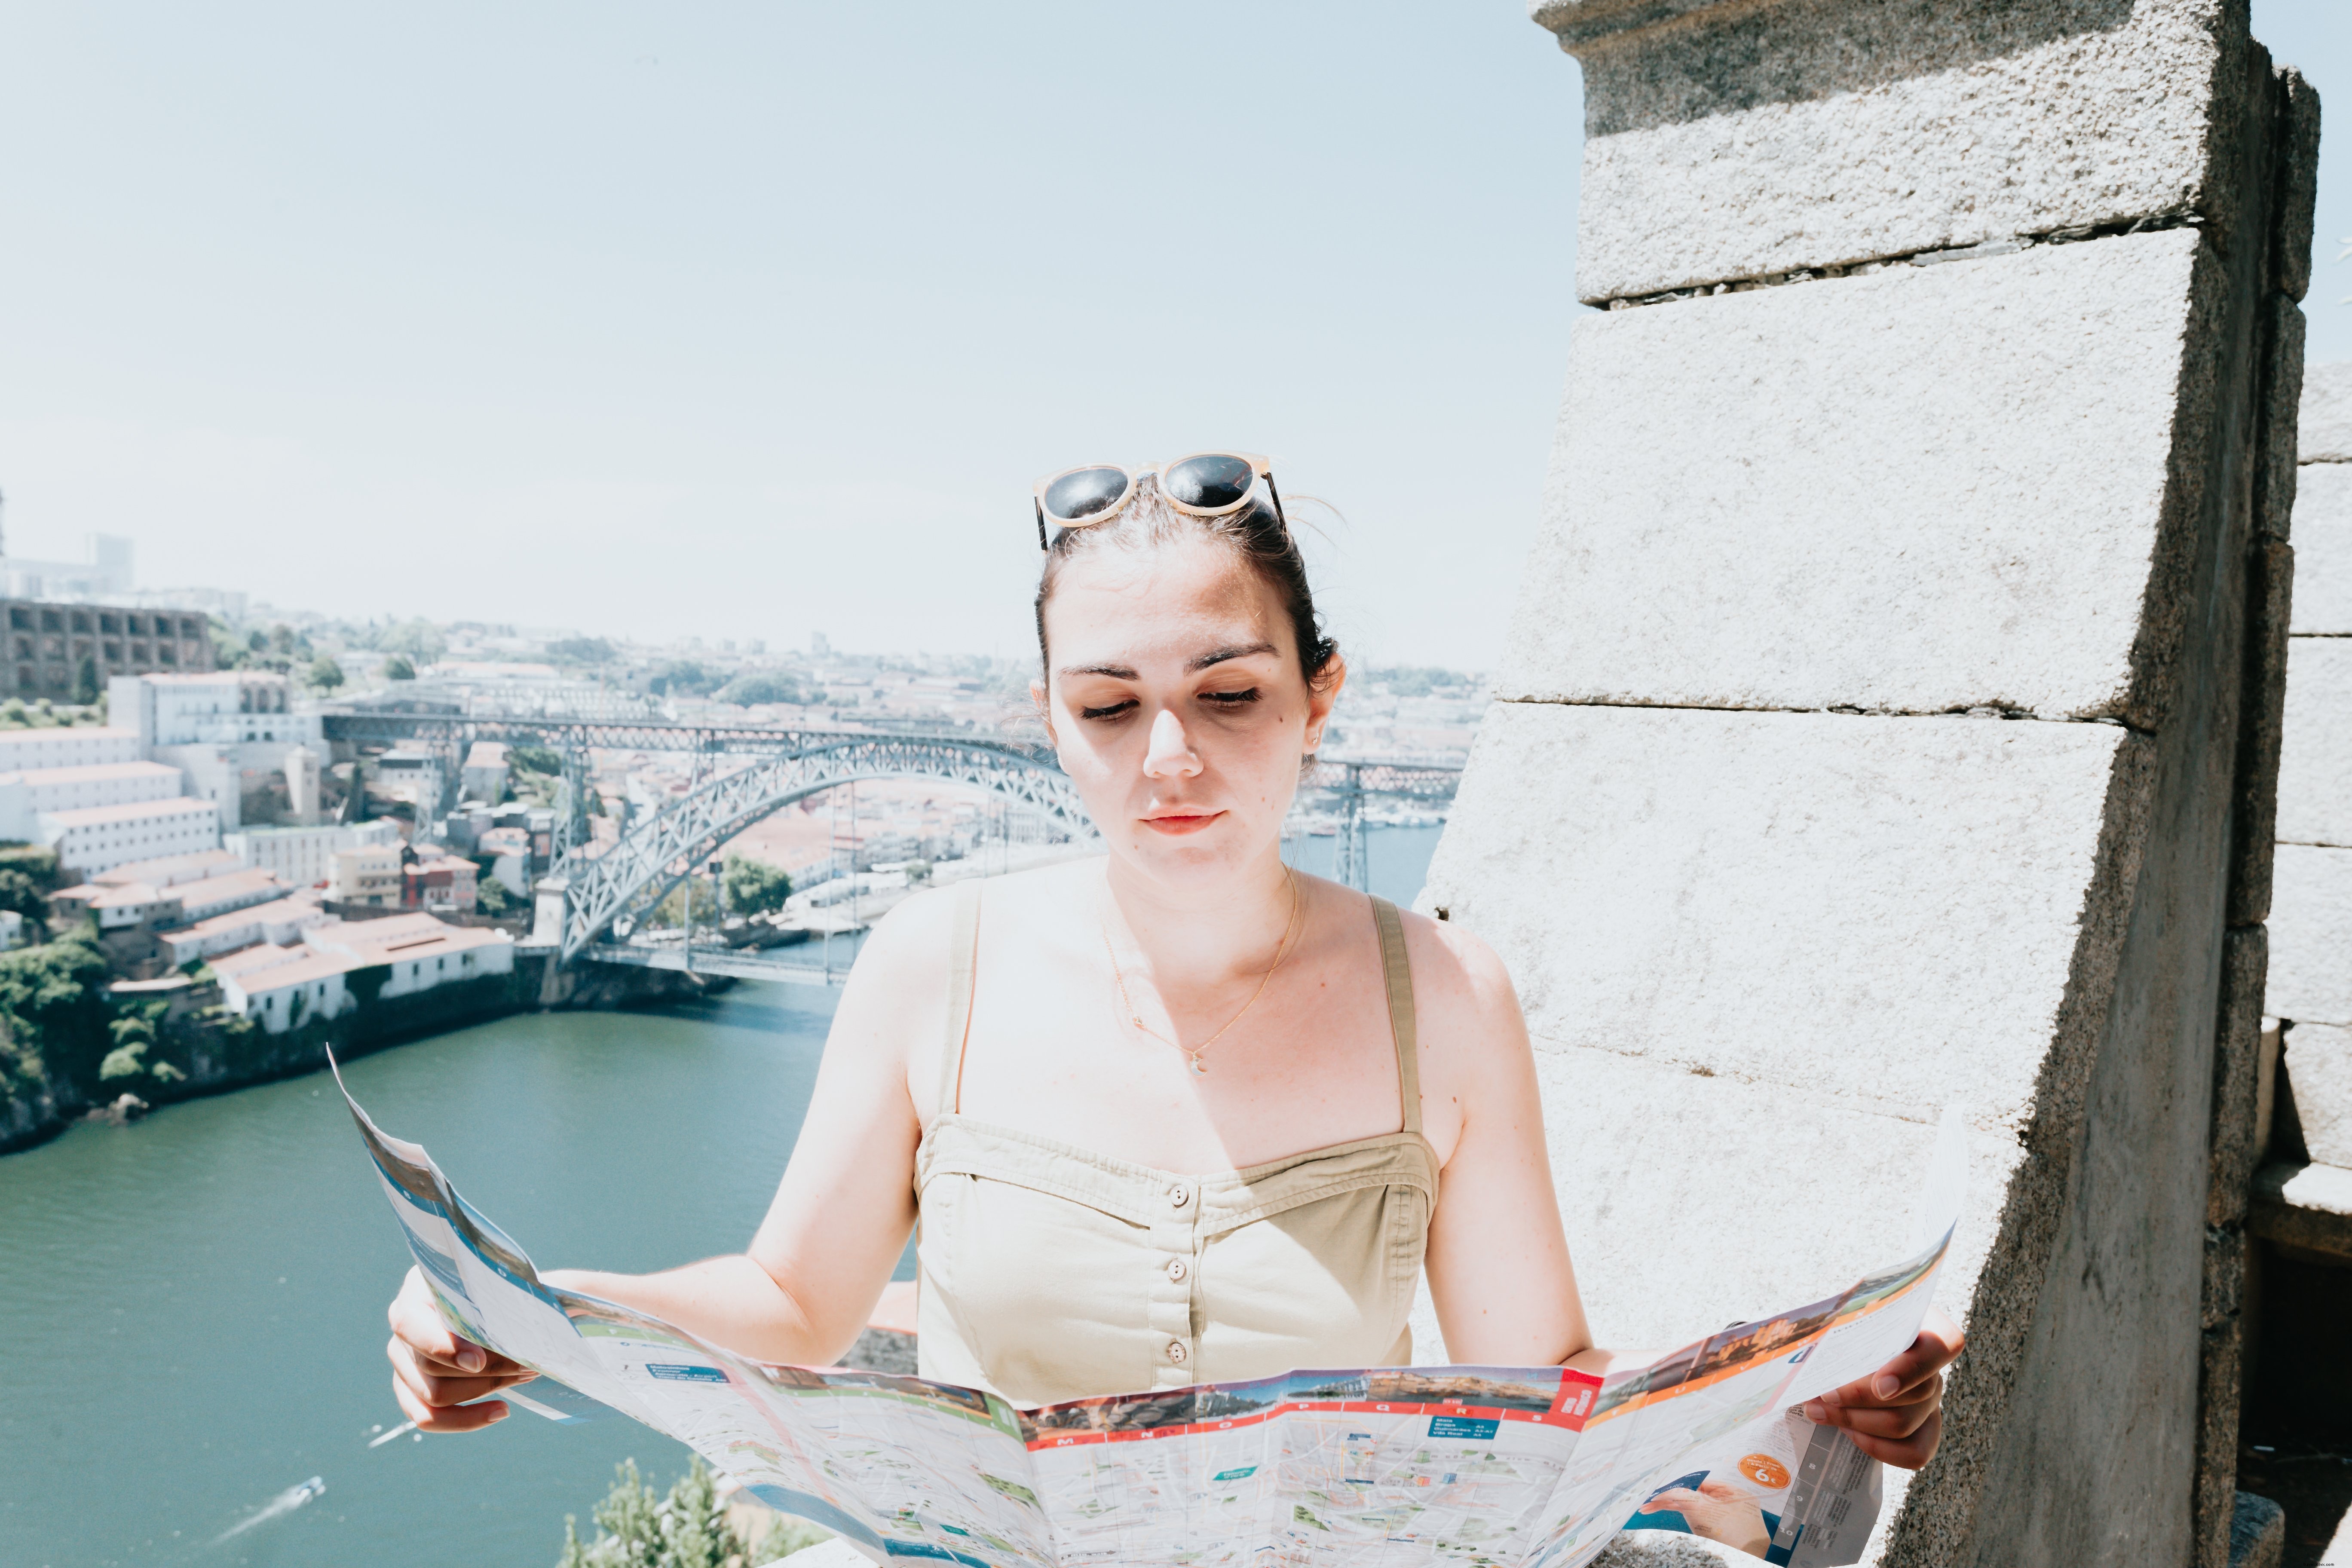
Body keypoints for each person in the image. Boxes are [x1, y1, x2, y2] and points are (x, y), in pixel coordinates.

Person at [385, 453, 1961, 1470]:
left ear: (1321, 697)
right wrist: (533, 1306)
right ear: (1047, 720)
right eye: (1108, 706)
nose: (1169, 760)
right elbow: (795, 1299)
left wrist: (1791, 1394)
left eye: (1229, 693)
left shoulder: (1448, 997)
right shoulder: (933, 966)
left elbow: (1536, 1389)